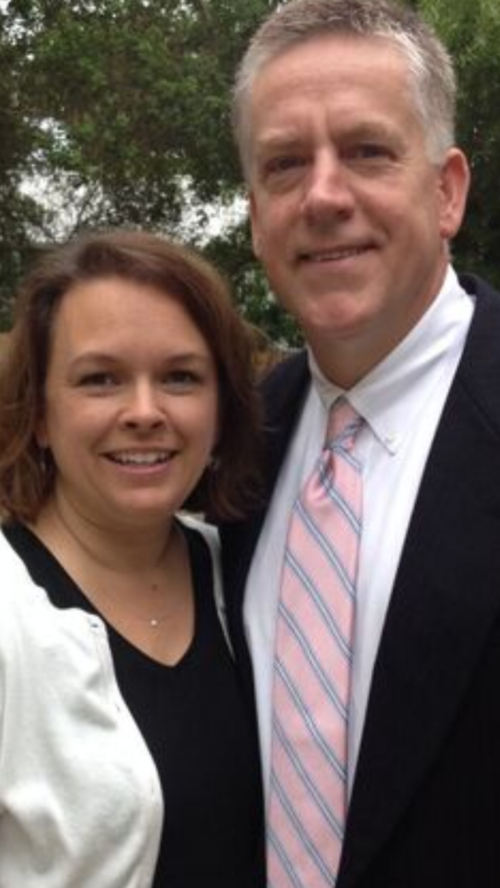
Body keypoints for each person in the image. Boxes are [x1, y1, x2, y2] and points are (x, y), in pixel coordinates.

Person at [219, 0, 500, 886]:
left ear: (447, 190)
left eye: (368, 151)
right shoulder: (230, 442)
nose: (324, 196)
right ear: (256, 214)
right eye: (285, 164)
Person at [0, 229, 266, 888]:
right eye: (100, 379)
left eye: (180, 377)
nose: (145, 412)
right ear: (40, 414)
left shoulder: (247, 572)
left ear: (220, 409)